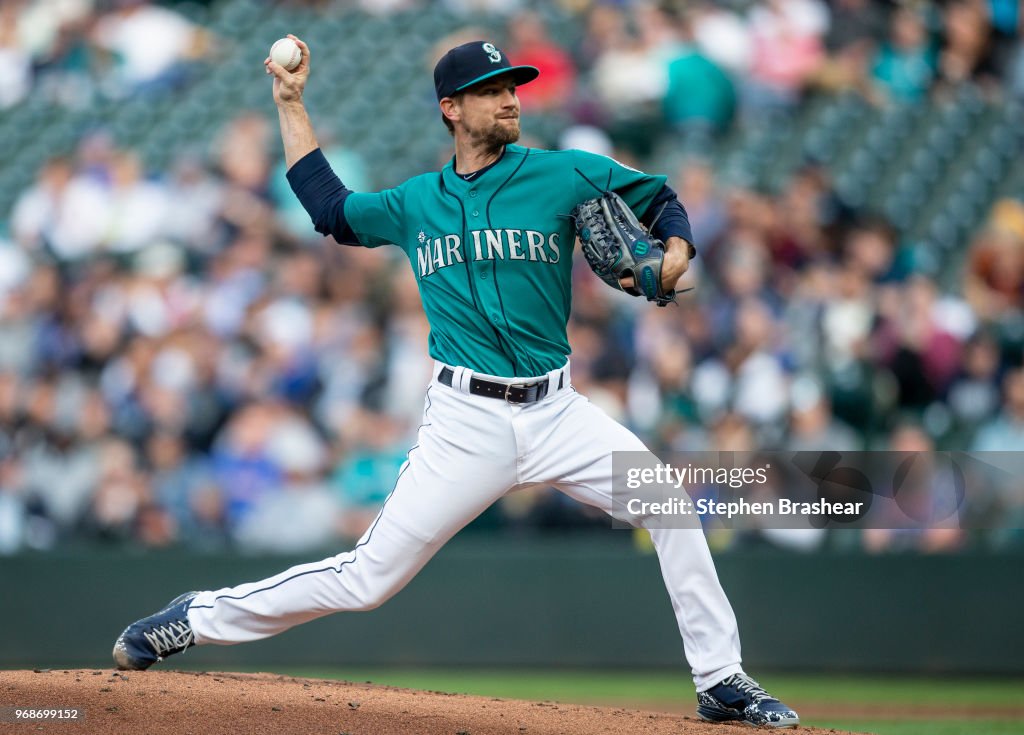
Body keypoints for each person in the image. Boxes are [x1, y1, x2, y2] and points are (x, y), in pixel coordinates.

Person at [112, 36, 799, 728]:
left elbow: (660, 199)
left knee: (669, 503)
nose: (510, 98)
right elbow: (328, 207)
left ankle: (720, 678)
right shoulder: (418, 202)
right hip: (466, 422)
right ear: (451, 107)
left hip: (558, 410)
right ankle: (197, 615)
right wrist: (291, 104)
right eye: (492, 90)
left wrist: (675, 250)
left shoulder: (564, 173)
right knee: (368, 577)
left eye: (513, 87)